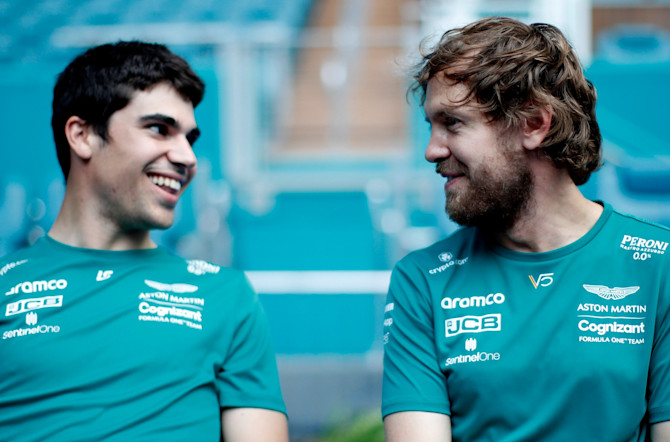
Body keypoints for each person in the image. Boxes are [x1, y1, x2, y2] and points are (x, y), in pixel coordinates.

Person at [382, 16, 670, 441]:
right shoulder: (421, 280)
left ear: (534, 124)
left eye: (453, 123)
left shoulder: (659, 265)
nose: (432, 151)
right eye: (431, 126)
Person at [0, 41, 288, 441]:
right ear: (82, 135)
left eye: (190, 138)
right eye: (159, 129)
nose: (187, 157)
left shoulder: (227, 296)